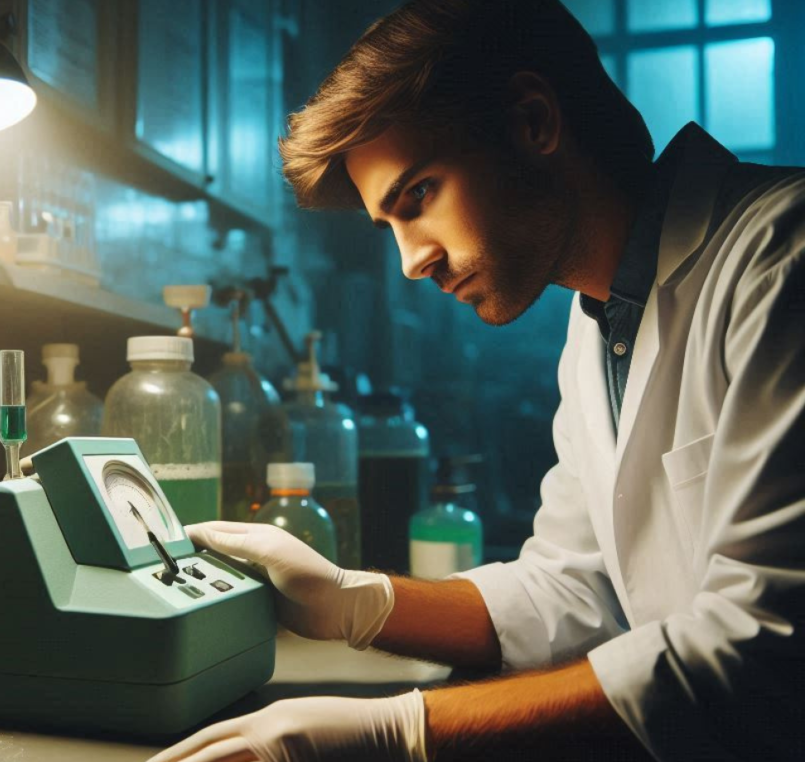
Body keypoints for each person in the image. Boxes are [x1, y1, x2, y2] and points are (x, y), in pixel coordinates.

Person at [151, 1, 805, 759]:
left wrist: (405, 731)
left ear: (533, 122)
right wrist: (354, 601)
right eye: (388, 226)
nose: (411, 260)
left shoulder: (780, 263)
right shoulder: (600, 321)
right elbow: (573, 592)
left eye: (418, 196)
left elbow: (763, 647)